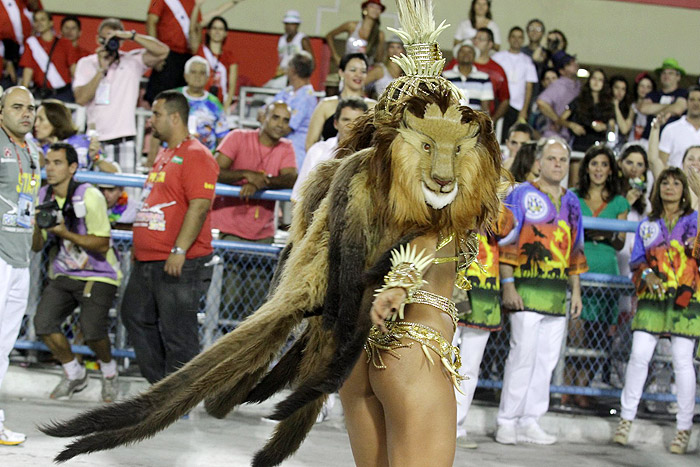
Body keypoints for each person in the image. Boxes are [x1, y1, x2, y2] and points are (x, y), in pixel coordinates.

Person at [40, 3, 505, 465]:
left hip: (358, 359)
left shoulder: (366, 189)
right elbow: (422, 242)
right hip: (416, 351)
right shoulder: (445, 195)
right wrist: (402, 282)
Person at [120, 91, 219, 384]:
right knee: (133, 315)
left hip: (179, 260)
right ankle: (160, 387)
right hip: (150, 259)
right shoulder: (165, 153)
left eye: (156, 114)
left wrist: (179, 249)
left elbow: (199, 206)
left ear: (175, 117)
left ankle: (179, 398)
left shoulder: (197, 155)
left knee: (178, 331)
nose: (151, 121)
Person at [496, 136, 587, 445]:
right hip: (524, 292)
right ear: (539, 161)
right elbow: (506, 241)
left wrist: (575, 292)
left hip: (556, 294)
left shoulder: (572, 201)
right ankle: (507, 420)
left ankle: (530, 420)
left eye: (563, 160)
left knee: (546, 361)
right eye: (551, 159)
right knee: (522, 356)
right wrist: (507, 284)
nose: (558, 165)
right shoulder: (521, 194)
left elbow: (575, 249)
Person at [613, 167, 699, 455]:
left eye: (677, 183)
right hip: (651, 298)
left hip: (685, 299)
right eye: (665, 182)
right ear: (657, 187)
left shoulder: (695, 221)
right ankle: (625, 420)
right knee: (638, 356)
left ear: (685, 190)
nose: (670, 187)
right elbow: (637, 260)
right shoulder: (647, 224)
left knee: (682, 362)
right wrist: (648, 272)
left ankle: (684, 428)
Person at [32, 142, 121, 403]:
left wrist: (64, 233)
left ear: (73, 167)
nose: (50, 168)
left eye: (57, 163)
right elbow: (37, 247)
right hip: (65, 272)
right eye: (47, 162)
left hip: (100, 272)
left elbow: (103, 243)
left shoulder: (89, 195)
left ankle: (109, 373)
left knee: (93, 330)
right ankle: (74, 372)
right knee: (43, 323)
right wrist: (37, 226)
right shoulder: (43, 195)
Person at [565, 145, 628, 408]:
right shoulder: (572, 196)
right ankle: (566, 386)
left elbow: (620, 243)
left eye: (604, 164)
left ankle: (583, 387)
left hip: (606, 273)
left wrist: (606, 236)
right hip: (577, 270)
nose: (599, 169)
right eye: (594, 164)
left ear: (610, 169)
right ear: (586, 167)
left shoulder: (619, 201)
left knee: (597, 336)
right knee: (574, 332)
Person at [72, 18, 169, 174]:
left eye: (113, 39)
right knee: (93, 193)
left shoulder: (132, 61)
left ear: (121, 41)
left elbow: (163, 51)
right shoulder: (86, 63)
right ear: (97, 39)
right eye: (104, 39)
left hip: (125, 140)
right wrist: (101, 70)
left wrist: (131, 36)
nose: (108, 43)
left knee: (126, 193)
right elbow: (80, 99)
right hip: (96, 141)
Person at [0, 86, 41, 446]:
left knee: (3, 345)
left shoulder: (32, 151)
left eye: (30, 108)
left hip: (20, 258)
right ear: (1, 111)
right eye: (17, 107)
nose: (26, 113)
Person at [452, 209, 511, 450]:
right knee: (441, 358)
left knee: (470, 366)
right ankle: (430, 421)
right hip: (452, 285)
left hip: (485, 290)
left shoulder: (497, 200)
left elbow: (505, 228)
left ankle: (456, 425)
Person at [212, 101, 297, 243]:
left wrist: (259, 182)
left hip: (264, 232)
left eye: (285, 120)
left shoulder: (286, 147)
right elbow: (215, 170)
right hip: (229, 229)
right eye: (275, 117)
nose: (280, 124)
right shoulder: (237, 136)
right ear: (263, 118)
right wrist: (246, 174)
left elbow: (291, 178)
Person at [292, 97, 368, 203]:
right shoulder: (317, 151)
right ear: (335, 123)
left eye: (357, 120)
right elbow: (298, 197)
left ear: (364, 125)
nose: (351, 125)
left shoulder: (371, 155)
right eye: (346, 120)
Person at [306, 53, 375, 150]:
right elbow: (310, 144)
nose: (358, 75)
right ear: (341, 72)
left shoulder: (374, 107)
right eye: (353, 70)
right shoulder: (325, 105)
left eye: (363, 71)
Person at [34, 99, 117, 172]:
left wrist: (96, 158)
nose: (35, 124)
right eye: (36, 119)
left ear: (55, 120)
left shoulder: (84, 142)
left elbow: (114, 171)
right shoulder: (35, 146)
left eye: (41, 119)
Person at [145, 0, 200, 104]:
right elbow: (151, 21)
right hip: (166, 55)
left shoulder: (193, 2)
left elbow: (197, 27)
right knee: (159, 99)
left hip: (187, 57)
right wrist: (155, 54)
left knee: (181, 102)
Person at [189, 1, 239, 111]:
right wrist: (197, 6)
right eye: (214, 28)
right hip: (197, 102)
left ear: (226, 33)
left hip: (219, 105)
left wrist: (225, 109)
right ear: (208, 31)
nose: (217, 32)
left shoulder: (230, 56)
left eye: (221, 29)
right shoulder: (200, 50)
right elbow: (194, 28)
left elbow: (231, 87)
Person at [492, 27, 538, 143]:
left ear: (523, 40)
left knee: (511, 138)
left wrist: (524, 109)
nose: (516, 40)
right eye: (514, 36)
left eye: (520, 37)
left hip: (517, 107)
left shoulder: (527, 61)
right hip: (499, 104)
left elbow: (529, 87)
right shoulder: (498, 57)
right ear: (508, 39)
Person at [19, 10, 77, 102]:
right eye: (36, 20)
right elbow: (28, 69)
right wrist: (23, 94)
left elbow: (73, 69)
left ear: (51, 22)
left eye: (42, 19)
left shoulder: (65, 43)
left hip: (63, 93)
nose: (39, 23)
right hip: (41, 93)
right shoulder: (31, 43)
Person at [272, 51, 317, 168]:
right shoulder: (287, 91)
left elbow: (285, 127)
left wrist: (269, 123)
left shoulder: (307, 97)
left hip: (295, 155)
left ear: (292, 70)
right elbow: (263, 112)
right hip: (278, 150)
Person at [175, 56, 228, 152]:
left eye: (202, 73)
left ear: (208, 78)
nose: (197, 76)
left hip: (204, 159)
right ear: (185, 75)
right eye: (193, 72)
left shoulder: (215, 103)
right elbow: (158, 129)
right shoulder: (173, 97)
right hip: (173, 157)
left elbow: (223, 137)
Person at [559, 68, 615, 152]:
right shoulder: (579, 100)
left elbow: (612, 126)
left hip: (599, 144)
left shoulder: (608, 104)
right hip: (581, 143)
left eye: (600, 80)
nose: (596, 82)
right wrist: (572, 125)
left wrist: (606, 127)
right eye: (594, 78)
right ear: (589, 80)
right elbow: (560, 119)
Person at [638, 59, 688, 140]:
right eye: (664, 73)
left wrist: (654, 109)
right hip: (649, 138)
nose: (666, 76)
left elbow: (678, 109)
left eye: (670, 73)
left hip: (673, 139)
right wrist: (671, 107)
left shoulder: (683, 93)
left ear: (678, 77)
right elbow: (644, 108)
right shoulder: (653, 94)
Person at [536, 50, 581, 140]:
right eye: (569, 64)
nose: (574, 65)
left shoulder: (577, 84)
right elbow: (541, 102)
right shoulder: (559, 85)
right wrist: (559, 121)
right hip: (553, 136)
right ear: (561, 71)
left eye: (573, 61)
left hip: (567, 137)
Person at [325, 0, 385, 67]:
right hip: (348, 66)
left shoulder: (379, 34)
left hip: (366, 70)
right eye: (372, 6)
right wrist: (335, 57)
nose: (375, 10)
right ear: (365, 9)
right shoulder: (351, 26)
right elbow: (329, 36)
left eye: (378, 8)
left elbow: (379, 58)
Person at [266, 10, 314, 89]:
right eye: (287, 24)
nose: (289, 27)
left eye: (292, 24)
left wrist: (302, 78)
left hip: (296, 76)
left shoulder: (302, 40)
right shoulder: (282, 39)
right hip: (282, 75)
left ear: (297, 25)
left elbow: (312, 62)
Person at [443, 39, 493, 113]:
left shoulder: (484, 78)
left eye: (470, 52)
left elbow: (485, 108)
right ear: (457, 55)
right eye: (462, 51)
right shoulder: (445, 76)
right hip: (451, 118)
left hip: (475, 119)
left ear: (474, 56)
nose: (466, 54)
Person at [473, 28, 509, 125]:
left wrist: (493, 119)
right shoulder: (461, 63)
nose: (476, 42)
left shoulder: (498, 70)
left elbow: (505, 100)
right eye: (475, 38)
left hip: (483, 120)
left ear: (490, 44)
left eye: (480, 39)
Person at [658, 86, 700, 168]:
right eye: (692, 100)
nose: (696, 103)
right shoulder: (670, 129)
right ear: (686, 103)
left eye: (699, 100)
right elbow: (661, 163)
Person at [365, 35, 404, 99]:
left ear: (403, 51)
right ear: (387, 50)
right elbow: (361, 82)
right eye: (392, 47)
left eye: (398, 47)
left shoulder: (407, 71)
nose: (395, 50)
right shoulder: (380, 70)